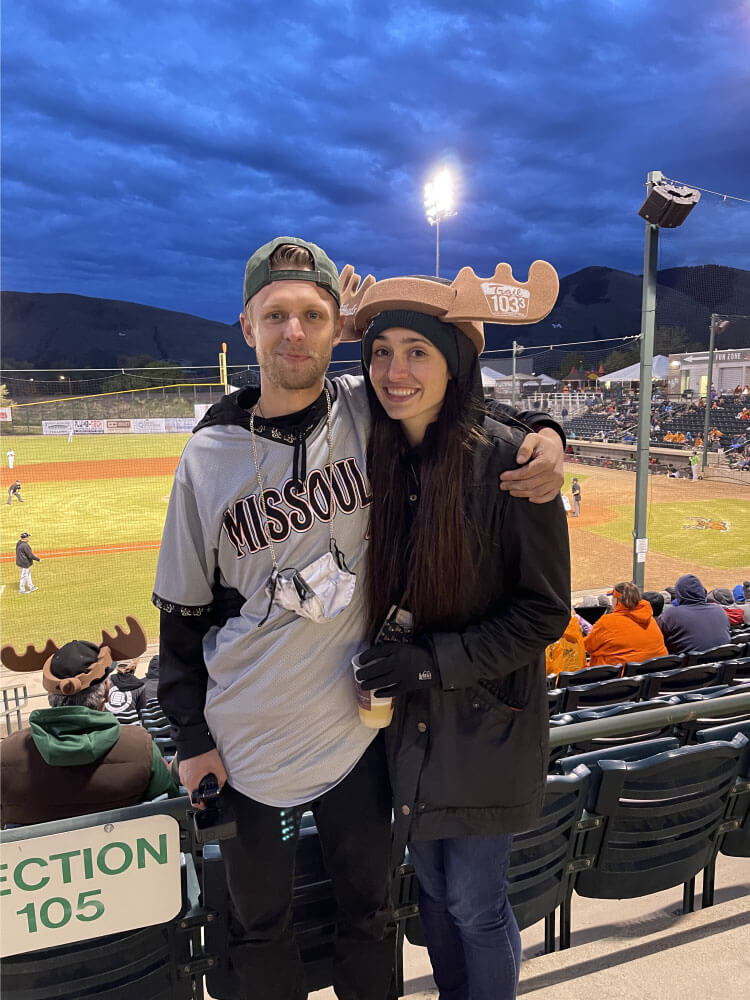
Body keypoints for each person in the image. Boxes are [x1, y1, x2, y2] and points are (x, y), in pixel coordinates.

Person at [152, 237, 566, 1000]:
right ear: (246, 327)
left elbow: (455, 392)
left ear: (334, 325)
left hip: (360, 737)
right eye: (275, 316)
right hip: (251, 743)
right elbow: (179, 620)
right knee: (261, 927)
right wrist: (190, 735)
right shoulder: (208, 454)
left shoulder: (361, 407)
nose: (294, 332)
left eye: (312, 315)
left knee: (382, 916)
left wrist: (547, 432)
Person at [352, 271, 570, 999]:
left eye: (417, 351)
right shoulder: (374, 453)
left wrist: (431, 663)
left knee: (476, 902)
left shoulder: (510, 464)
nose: (395, 371)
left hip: (487, 727)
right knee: (437, 896)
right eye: (381, 351)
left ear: (454, 362)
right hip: (408, 726)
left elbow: (545, 614)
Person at [0, 639, 178, 826]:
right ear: (107, 691)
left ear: (50, 694)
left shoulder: (6, 754)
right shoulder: (142, 747)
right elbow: (171, 810)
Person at [584, 582, 668, 667]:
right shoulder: (650, 619)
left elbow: (588, 646)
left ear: (617, 601)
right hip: (656, 672)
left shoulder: (607, 621)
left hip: (619, 677)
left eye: (613, 597)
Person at [657, 574, 731, 655]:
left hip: (689, 665)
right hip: (723, 663)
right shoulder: (719, 610)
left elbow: (656, 639)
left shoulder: (671, 614)